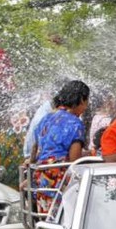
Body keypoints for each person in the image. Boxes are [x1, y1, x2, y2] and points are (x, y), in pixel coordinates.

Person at [31, 80, 90, 213]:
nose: (86, 107)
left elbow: (36, 149)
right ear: (81, 99)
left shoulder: (45, 119)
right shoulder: (75, 124)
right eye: (86, 102)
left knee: (46, 222)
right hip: (59, 180)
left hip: (42, 179)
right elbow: (75, 161)